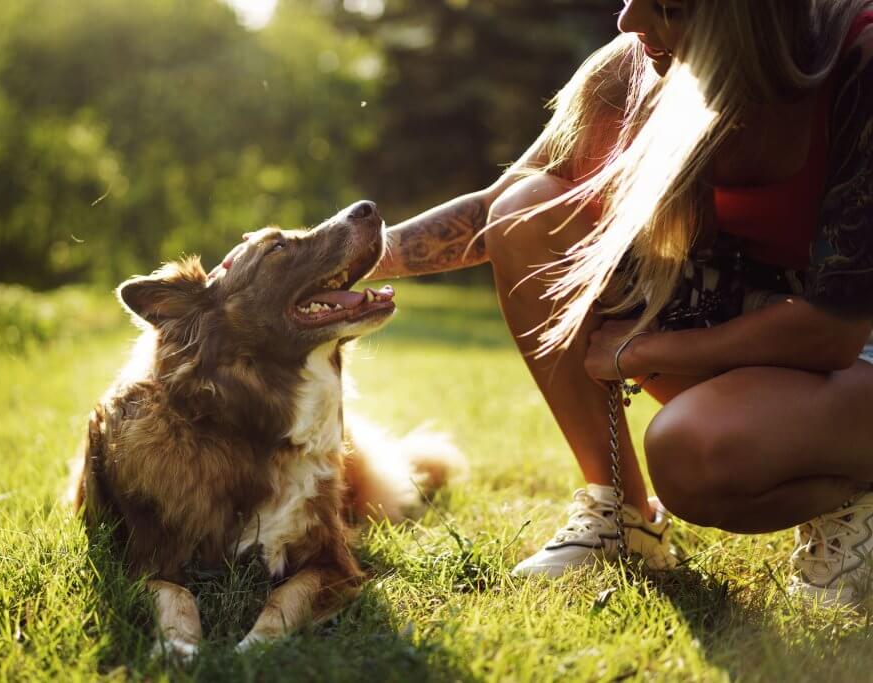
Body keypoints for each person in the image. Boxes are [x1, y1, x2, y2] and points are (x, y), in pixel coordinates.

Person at [366, 0, 873, 606]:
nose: (628, 22)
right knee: (528, 210)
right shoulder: (641, 68)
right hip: (765, 327)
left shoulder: (860, 66)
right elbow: (497, 210)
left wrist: (644, 349)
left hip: (853, 350)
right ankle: (622, 518)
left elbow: (835, 331)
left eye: (668, 8)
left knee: (692, 454)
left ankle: (858, 500)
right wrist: (347, 257)